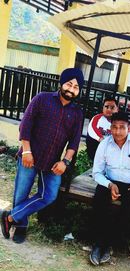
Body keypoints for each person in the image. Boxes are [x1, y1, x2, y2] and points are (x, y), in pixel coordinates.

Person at [0, 68, 84, 244]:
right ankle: (20, 226)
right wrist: (27, 151)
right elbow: (25, 126)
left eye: (76, 87)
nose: (71, 89)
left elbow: (74, 142)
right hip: (29, 156)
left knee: (49, 195)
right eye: (69, 84)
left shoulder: (77, 113)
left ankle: (10, 217)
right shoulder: (42, 98)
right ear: (62, 83)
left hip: (53, 162)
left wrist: (65, 161)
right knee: (21, 193)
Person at [90, 112, 130, 266]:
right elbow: (96, 172)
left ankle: (110, 244)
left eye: (121, 127)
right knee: (99, 201)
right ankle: (98, 244)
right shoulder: (104, 144)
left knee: (129, 206)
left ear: (129, 128)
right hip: (110, 182)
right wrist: (109, 184)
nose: (117, 131)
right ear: (110, 128)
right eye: (114, 127)